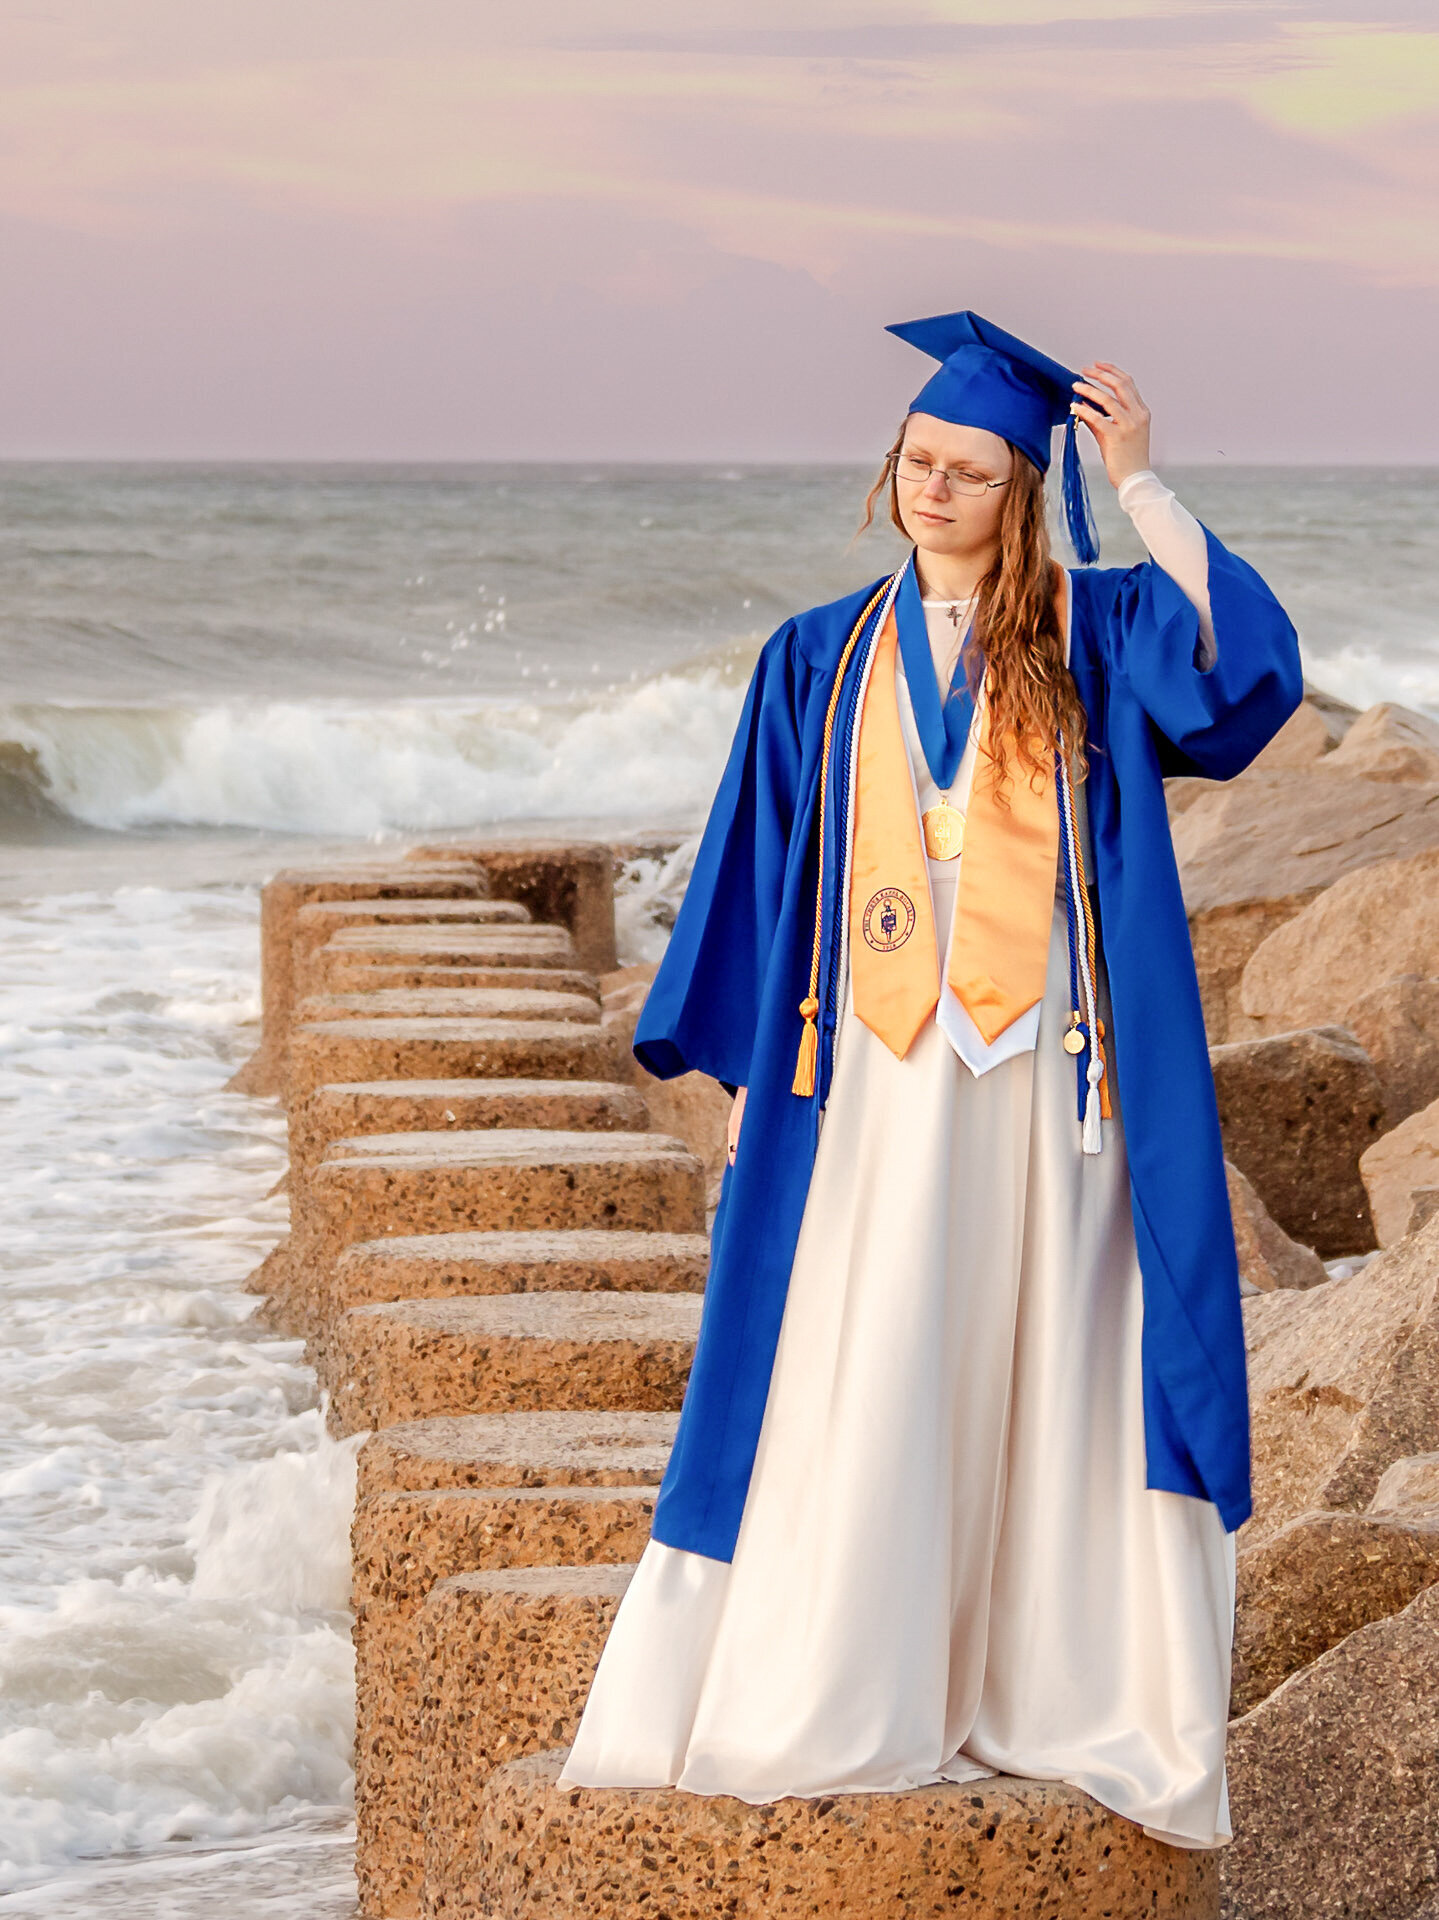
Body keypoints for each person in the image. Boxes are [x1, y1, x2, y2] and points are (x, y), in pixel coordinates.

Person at [559, 310, 1301, 1850]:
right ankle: (849, 1677)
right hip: (876, 1087)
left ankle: (1055, 1685)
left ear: (1025, 490)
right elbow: (762, 861)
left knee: (1057, 1364)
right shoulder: (816, 657)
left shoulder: (1098, 636)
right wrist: (737, 1045)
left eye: (970, 470)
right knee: (873, 1345)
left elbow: (1246, 690)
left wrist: (1147, 485)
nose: (935, 489)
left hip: (1050, 1081)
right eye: (917, 461)